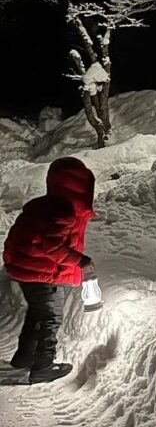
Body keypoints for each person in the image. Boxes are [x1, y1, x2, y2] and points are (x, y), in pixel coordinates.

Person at [3, 157, 96, 384]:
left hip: (26, 271)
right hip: (44, 275)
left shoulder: (43, 206)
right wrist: (81, 261)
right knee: (50, 318)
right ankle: (44, 366)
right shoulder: (62, 212)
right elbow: (53, 246)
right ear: (80, 186)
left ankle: (24, 358)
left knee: (36, 314)